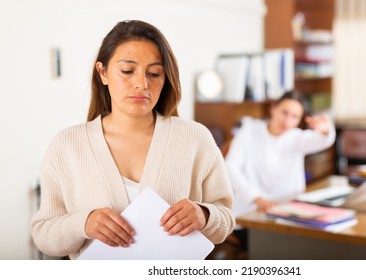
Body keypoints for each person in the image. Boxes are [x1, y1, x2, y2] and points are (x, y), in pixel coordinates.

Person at [30, 20, 234, 260]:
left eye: (154, 73)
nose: (142, 84)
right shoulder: (66, 146)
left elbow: (226, 219)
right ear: (103, 72)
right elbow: (43, 234)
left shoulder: (194, 138)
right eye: (127, 71)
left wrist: (204, 215)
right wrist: (83, 224)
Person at [224, 90, 335, 249]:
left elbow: (324, 140)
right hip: (250, 214)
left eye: (295, 117)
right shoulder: (248, 132)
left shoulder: (296, 138)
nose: (287, 121)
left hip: (288, 214)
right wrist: (257, 198)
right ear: (273, 108)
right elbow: (230, 167)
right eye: (284, 112)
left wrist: (325, 129)